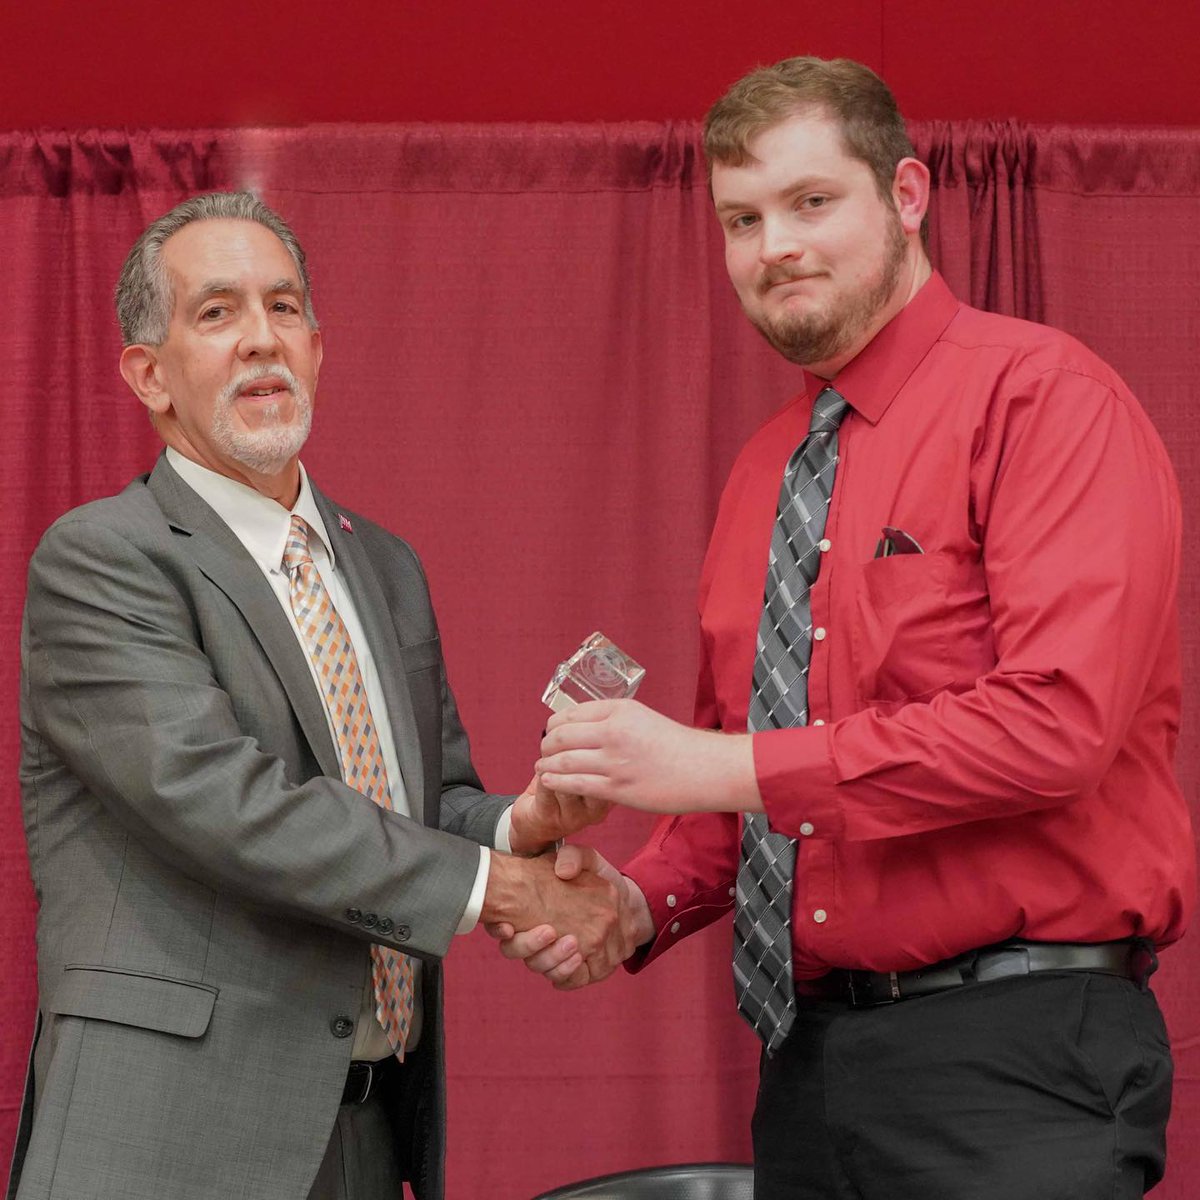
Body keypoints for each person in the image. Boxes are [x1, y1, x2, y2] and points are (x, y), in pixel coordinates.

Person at [509, 57, 1195, 1199]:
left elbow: (1057, 725)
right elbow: (742, 786)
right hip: (810, 1064)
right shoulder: (762, 473)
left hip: (1020, 1057)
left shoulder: (1043, 397)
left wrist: (716, 766)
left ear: (907, 195)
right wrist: (630, 907)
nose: (773, 246)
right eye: (742, 219)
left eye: (811, 202)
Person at [8, 192, 632, 1200]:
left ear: (318, 348)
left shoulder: (384, 565)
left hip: (368, 1130)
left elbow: (421, 806)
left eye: (285, 307)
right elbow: (228, 805)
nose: (262, 337)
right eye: (218, 312)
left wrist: (520, 826)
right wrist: (502, 890)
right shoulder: (102, 559)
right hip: (167, 1139)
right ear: (148, 375)